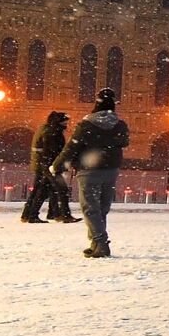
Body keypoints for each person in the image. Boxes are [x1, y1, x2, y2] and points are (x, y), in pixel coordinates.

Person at [52, 88, 129, 257]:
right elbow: (124, 141)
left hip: (89, 171)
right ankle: (96, 242)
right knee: (102, 208)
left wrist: (56, 165)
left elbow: (71, 147)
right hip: (111, 169)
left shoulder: (86, 125)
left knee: (90, 208)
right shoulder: (120, 125)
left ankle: (101, 243)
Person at [23, 111, 77, 224]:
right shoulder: (52, 133)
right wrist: (57, 164)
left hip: (45, 165)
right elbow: (53, 151)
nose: (66, 124)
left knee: (46, 190)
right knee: (58, 190)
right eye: (65, 121)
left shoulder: (48, 130)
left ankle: (38, 214)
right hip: (50, 165)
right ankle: (62, 215)